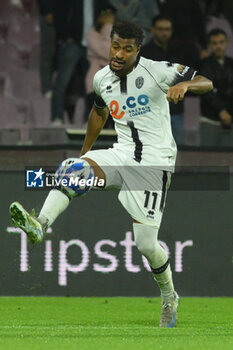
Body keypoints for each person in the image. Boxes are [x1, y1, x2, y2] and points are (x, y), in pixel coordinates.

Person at [9, 22, 213, 327]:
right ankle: (40, 224)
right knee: (71, 169)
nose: (118, 53)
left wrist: (185, 85)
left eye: (127, 49)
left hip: (153, 164)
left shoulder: (157, 71)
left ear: (137, 51)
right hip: (121, 153)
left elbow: (206, 81)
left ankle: (169, 295)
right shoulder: (102, 78)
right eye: (115, 46)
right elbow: (99, 113)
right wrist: (85, 155)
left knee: (145, 245)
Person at [140, 14, 185, 144]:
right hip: (152, 112)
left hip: (175, 110)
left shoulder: (178, 51)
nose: (164, 33)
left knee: (178, 151)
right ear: (152, 30)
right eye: (160, 29)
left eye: (167, 29)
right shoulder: (144, 53)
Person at [199, 28, 233, 146]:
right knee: (208, 159)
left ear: (227, 42)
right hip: (210, 119)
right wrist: (222, 110)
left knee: (229, 159)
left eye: (221, 42)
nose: (218, 46)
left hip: (230, 118)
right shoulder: (204, 65)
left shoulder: (231, 64)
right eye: (214, 43)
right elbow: (207, 91)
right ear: (209, 45)